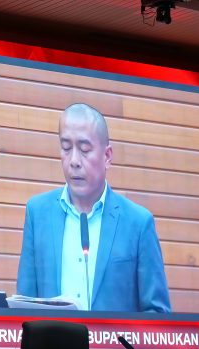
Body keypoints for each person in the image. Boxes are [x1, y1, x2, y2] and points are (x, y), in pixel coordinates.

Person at [16, 103, 171, 313]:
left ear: (107, 156)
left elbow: (157, 315)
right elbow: (23, 308)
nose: (74, 161)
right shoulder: (38, 213)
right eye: (66, 148)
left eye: (84, 149)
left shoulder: (138, 223)